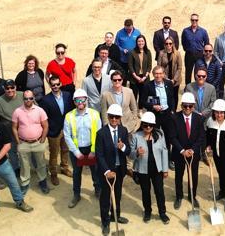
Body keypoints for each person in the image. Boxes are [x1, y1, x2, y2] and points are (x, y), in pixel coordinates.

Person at [96, 104, 132, 235]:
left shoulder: (123, 130)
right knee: (105, 197)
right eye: (112, 117)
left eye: (117, 117)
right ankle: (105, 222)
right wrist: (106, 171)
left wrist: (122, 147)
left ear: (120, 118)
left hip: (120, 170)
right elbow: (99, 155)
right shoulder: (101, 133)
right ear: (108, 117)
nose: (114, 119)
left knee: (117, 195)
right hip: (107, 171)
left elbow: (128, 151)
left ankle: (115, 216)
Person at [130, 112, 171, 224]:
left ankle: (162, 213)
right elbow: (131, 155)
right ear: (142, 124)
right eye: (145, 125)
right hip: (142, 170)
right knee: (145, 192)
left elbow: (164, 151)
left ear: (153, 125)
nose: (148, 127)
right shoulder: (136, 136)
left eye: (150, 125)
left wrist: (165, 169)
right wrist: (137, 153)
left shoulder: (160, 134)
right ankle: (147, 212)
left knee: (159, 191)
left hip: (157, 169)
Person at [64, 89, 102, 208]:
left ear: (87, 100)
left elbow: (99, 134)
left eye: (83, 99)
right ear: (74, 102)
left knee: (95, 171)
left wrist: (93, 151)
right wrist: (76, 152)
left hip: (91, 149)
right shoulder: (69, 116)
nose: (80, 102)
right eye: (77, 100)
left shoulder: (94, 114)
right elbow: (67, 136)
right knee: (76, 173)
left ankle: (98, 190)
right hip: (77, 150)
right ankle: (76, 194)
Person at [170, 92, 206, 209]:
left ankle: (192, 196)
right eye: (185, 106)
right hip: (179, 153)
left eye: (190, 106)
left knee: (193, 176)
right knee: (179, 175)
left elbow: (201, 137)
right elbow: (173, 137)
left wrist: (193, 150)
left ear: (193, 106)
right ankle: (179, 196)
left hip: (193, 154)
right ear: (181, 106)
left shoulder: (199, 119)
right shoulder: (174, 117)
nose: (187, 108)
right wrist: (182, 151)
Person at [12, 90, 50, 194]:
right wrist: (18, 141)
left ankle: (42, 182)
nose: (28, 100)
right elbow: (14, 127)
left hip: (38, 142)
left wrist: (42, 139)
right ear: (23, 99)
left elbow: (45, 126)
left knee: (41, 164)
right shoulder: (17, 111)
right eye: (26, 98)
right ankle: (25, 184)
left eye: (30, 98)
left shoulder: (40, 110)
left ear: (33, 98)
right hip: (23, 144)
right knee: (24, 166)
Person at [39, 76, 73, 186]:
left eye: (57, 84)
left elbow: (71, 111)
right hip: (54, 131)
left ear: (61, 83)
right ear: (50, 85)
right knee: (54, 153)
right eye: (53, 85)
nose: (55, 87)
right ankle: (53, 173)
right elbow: (44, 118)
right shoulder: (45, 100)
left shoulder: (68, 96)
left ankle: (64, 167)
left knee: (65, 150)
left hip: (66, 129)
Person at [141, 66, 179, 150]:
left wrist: (172, 110)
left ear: (164, 74)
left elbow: (172, 98)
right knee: (155, 135)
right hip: (155, 115)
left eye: (160, 73)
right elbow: (143, 101)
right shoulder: (148, 85)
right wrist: (153, 106)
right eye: (156, 74)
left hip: (167, 114)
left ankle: (167, 156)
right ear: (153, 74)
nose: (158, 76)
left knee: (168, 136)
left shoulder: (168, 84)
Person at [0, 80, 24, 175]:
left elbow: (35, 108)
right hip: (9, 131)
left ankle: (37, 166)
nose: (10, 90)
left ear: (16, 87)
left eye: (12, 87)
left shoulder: (23, 95)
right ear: (3, 89)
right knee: (12, 151)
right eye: (7, 88)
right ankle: (16, 168)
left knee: (30, 149)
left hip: (24, 129)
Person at [182, 13, 210, 84]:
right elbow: (183, 42)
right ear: (190, 20)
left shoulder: (203, 31)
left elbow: (206, 43)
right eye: (192, 20)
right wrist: (187, 49)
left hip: (199, 55)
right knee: (188, 72)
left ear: (198, 20)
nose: (194, 21)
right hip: (189, 54)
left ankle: (198, 87)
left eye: (196, 20)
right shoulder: (186, 31)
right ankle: (188, 88)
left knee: (199, 72)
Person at [128, 35, 152, 101]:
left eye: (142, 41)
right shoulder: (132, 52)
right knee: (134, 95)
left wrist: (144, 77)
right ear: (136, 42)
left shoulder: (148, 52)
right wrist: (136, 77)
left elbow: (149, 66)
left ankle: (141, 109)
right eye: (139, 41)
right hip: (134, 78)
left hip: (145, 77)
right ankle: (134, 109)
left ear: (145, 42)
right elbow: (130, 66)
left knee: (143, 94)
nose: (140, 43)